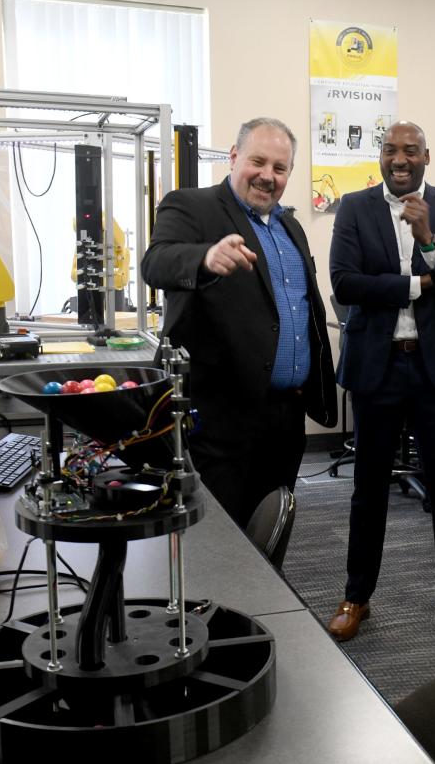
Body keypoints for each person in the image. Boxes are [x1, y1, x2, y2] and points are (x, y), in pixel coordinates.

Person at [324, 121, 435, 642]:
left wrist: (429, 241)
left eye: (410, 151)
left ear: (426, 157)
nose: (399, 159)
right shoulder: (353, 206)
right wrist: (422, 281)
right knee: (369, 489)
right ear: (381, 157)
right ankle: (356, 596)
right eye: (390, 150)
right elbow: (345, 283)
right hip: (378, 365)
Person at [141, 117, 336, 528]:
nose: (267, 176)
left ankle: (266, 593)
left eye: (279, 168)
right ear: (234, 157)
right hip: (221, 420)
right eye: (258, 162)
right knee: (221, 539)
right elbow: (155, 263)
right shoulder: (193, 206)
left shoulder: (291, 227)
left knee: (269, 528)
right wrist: (204, 258)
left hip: (285, 417)